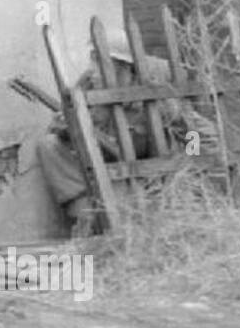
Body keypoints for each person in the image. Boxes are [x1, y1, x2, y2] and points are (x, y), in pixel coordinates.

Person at [36, 26, 215, 233]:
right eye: (91, 59)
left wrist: (189, 165)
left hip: (147, 177)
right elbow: (60, 122)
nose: (92, 68)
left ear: (124, 67)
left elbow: (195, 132)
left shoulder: (152, 91)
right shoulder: (88, 84)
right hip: (103, 171)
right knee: (48, 145)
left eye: (99, 61)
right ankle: (88, 213)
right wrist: (66, 129)